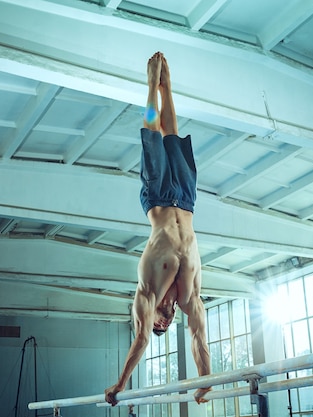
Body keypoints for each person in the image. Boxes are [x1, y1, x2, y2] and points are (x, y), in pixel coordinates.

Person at [105, 52, 211, 406]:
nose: (163, 322)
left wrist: (120, 383)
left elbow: (141, 340)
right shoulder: (188, 296)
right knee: (174, 135)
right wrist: (206, 380)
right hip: (188, 200)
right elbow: (199, 337)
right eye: (166, 324)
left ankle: (152, 85)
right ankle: (169, 86)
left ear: (152, 317)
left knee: (154, 132)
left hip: (160, 199)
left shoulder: (145, 293)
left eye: (158, 323)